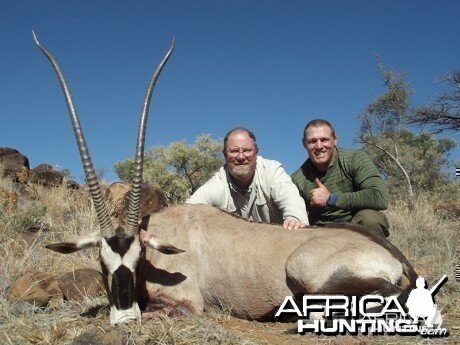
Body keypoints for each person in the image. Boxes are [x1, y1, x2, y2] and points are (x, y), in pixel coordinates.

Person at [187, 128, 309, 229]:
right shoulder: (218, 183)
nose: (241, 157)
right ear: (225, 154)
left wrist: (294, 218)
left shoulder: (271, 170)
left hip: (276, 247)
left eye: (246, 150)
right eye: (234, 151)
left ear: (256, 152)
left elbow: (290, 197)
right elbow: (188, 212)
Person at [291, 119, 390, 237]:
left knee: (371, 219)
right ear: (304, 144)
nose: (319, 146)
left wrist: (331, 199)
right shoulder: (297, 179)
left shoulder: (355, 158)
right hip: (318, 235)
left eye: (324, 140)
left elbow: (380, 196)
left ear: (335, 139)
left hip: (355, 227)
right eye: (312, 141)